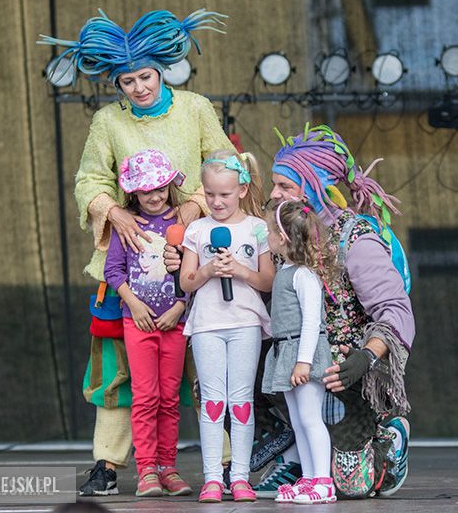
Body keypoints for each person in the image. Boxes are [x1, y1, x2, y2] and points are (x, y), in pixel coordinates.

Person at [38, 9, 234, 496]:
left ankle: (228, 462)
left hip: (193, 260)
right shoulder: (107, 122)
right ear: (117, 83)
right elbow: (89, 179)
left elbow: (226, 162)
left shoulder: (194, 108)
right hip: (126, 265)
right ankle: (108, 463)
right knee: (118, 369)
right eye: (127, 80)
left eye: (145, 76)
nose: (139, 87)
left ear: (162, 70)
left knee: (207, 364)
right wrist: (114, 213)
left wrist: (193, 207)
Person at [254, 124, 416, 499]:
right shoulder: (276, 234)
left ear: (313, 188)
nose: (275, 193)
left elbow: (396, 310)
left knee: (352, 486)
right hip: (291, 361)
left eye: (285, 186)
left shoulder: (354, 239)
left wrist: (365, 357)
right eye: (274, 184)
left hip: (340, 376)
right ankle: (296, 457)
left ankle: (389, 438)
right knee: (221, 380)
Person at [178, 151, 274, 503]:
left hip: (245, 322)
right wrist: (206, 271)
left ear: (243, 190)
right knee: (213, 402)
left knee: (242, 401)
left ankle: (241, 477)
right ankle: (212, 478)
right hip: (206, 324)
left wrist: (241, 271)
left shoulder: (256, 228)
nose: (217, 202)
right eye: (210, 194)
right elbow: (187, 282)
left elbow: (267, 281)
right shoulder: (198, 230)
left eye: (225, 194)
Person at [103, 149, 191, 496]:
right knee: (145, 397)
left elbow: (192, 272)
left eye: (161, 188)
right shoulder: (126, 224)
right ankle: (147, 471)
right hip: (136, 323)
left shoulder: (182, 224)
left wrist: (181, 305)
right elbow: (113, 271)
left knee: (169, 398)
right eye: (146, 190)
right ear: (133, 193)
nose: (155, 196)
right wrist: (134, 304)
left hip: (174, 324)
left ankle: (168, 467)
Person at [261, 200, 338, 505]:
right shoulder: (286, 270)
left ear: (282, 237)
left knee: (310, 419)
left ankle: (323, 482)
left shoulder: (304, 275)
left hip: (301, 353)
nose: (266, 236)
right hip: (286, 351)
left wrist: (303, 361)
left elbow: (311, 323)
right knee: (298, 422)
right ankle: (308, 478)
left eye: (269, 230)